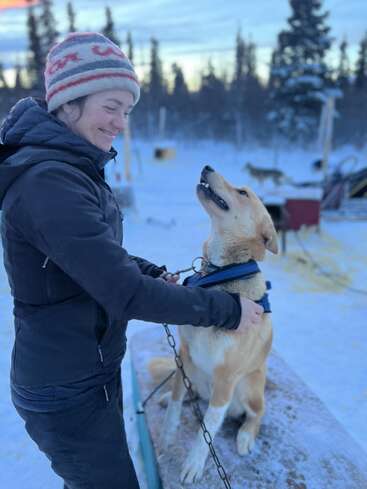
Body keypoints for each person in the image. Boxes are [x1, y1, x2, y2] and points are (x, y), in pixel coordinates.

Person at [0, 32, 264, 489]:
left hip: (86, 371)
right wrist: (228, 310)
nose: (120, 122)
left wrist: (147, 270)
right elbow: (124, 294)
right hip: (66, 387)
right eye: (110, 106)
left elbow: (95, 259)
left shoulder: (70, 167)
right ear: (68, 102)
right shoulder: (49, 182)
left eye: (126, 110)